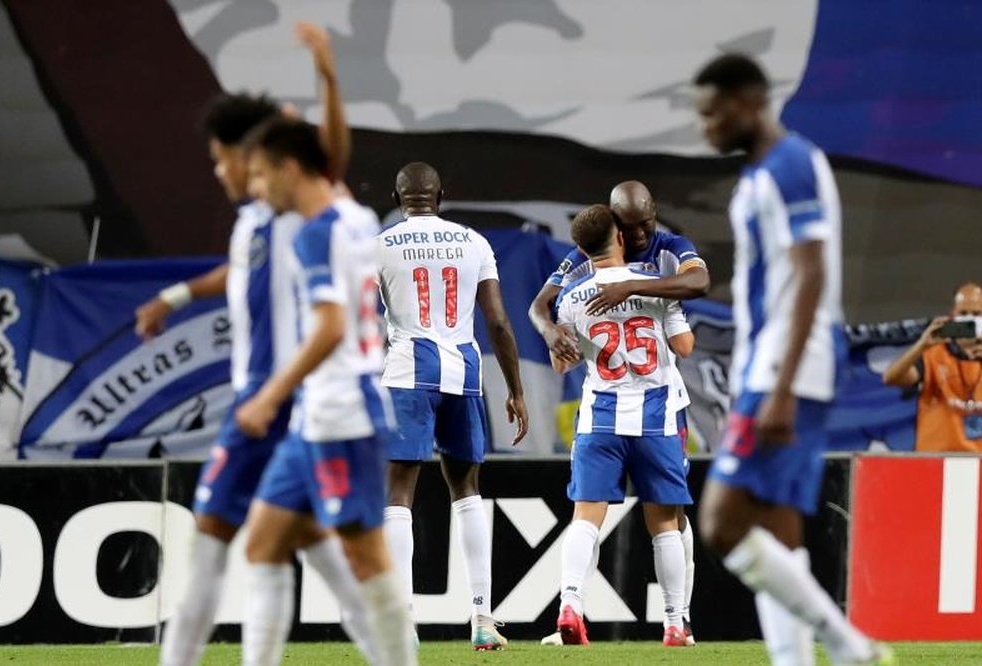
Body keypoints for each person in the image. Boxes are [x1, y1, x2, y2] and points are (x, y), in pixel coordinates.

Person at [134, 24, 373, 666]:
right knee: (305, 553)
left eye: (221, 158)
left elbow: (331, 157)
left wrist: (327, 77)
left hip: (283, 405)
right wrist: (175, 298)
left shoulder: (297, 209)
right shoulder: (251, 224)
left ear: (253, 156)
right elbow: (233, 275)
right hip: (266, 404)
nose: (218, 171)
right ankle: (391, 650)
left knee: (221, 550)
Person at [693, 54, 891, 665]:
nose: (707, 128)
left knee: (722, 523)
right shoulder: (758, 176)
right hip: (771, 365)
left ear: (749, 101)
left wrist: (778, 386)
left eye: (713, 112)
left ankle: (847, 642)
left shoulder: (792, 165)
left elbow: (811, 273)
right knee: (777, 529)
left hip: (789, 368)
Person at [235, 117, 416, 666]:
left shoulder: (316, 233)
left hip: (344, 412)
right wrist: (322, 86)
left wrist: (270, 395)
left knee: (366, 562)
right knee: (263, 543)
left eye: (264, 175)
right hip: (317, 413)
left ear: (293, 170)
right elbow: (330, 158)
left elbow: (331, 327)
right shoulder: (358, 218)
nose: (257, 190)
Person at [529, 181, 705, 641]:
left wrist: (563, 337)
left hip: (600, 416)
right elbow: (684, 346)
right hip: (657, 415)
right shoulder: (660, 291)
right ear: (619, 234)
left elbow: (560, 356)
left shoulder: (571, 295)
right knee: (665, 520)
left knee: (585, 516)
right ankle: (673, 622)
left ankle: (569, 605)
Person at [377, 162, 529, 650]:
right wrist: (516, 390)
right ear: (441, 194)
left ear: (398, 197)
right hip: (462, 374)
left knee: (398, 492)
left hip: (406, 373)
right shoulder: (473, 242)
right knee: (466, 490)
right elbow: (500, 322)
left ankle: (401, 623)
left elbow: (358, 318)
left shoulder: (378, 245)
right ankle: (483, 618)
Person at [883, 282, 982, 452]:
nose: (970, 319)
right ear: (952, 316)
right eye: (963, 313)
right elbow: (891, 378)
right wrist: (921, 345)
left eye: (977, 313)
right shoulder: (932, 354)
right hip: (934, 463)